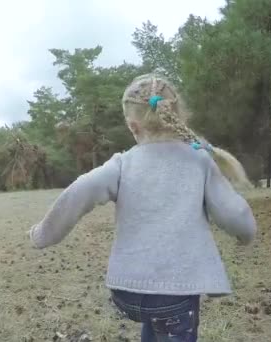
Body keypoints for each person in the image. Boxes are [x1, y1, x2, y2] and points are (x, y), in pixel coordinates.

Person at [28, 73, 257, 341]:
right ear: (179, 118)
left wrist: (41, 235)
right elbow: (234, 212)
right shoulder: (199, 161)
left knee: (155, 321)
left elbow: (80, 190)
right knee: (167, 317)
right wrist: (246, 234)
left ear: (133, 126)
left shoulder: (123, 164)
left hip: (126, 292)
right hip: (175, 294)